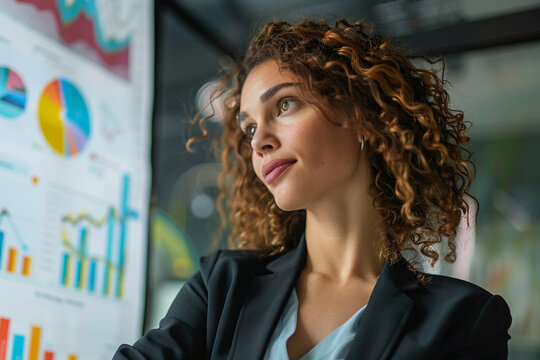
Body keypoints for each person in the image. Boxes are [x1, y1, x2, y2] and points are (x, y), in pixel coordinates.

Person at [114, 18, 511, 359]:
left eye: (284, 105)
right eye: (249, 127)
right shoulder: (222, 284)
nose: (259, 141)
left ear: (363, 118)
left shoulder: (464, 319)